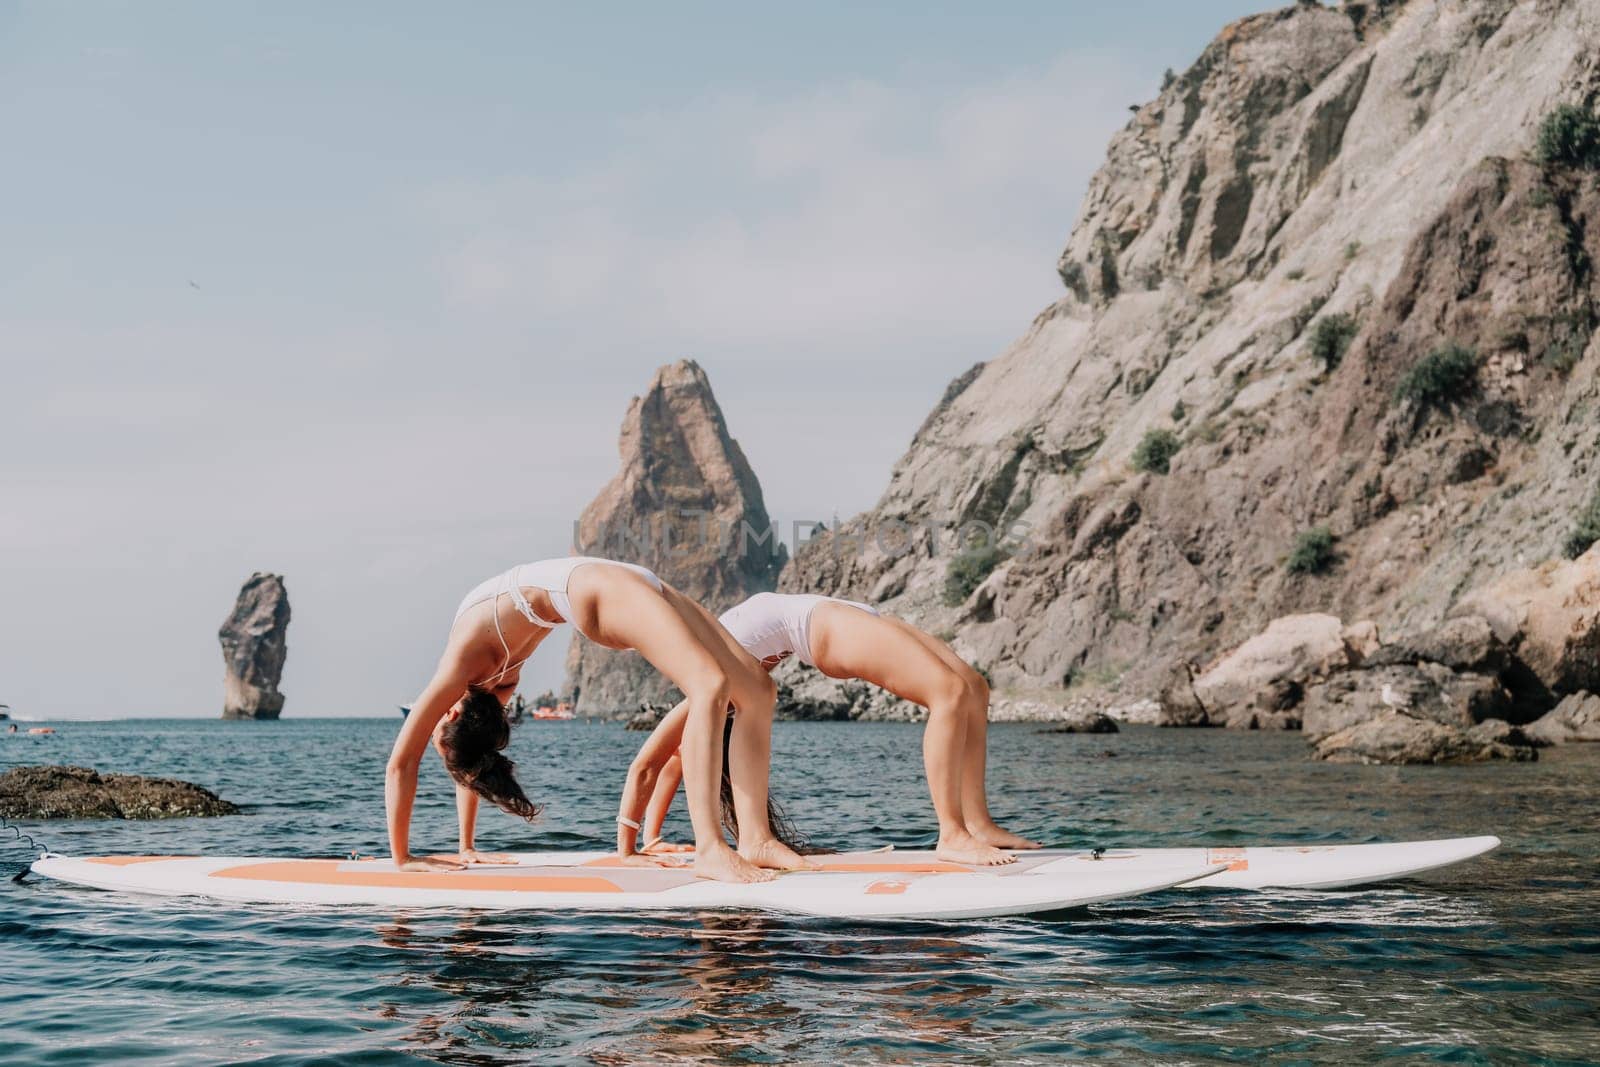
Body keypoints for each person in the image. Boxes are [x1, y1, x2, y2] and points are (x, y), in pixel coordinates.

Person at [386, 557, 808, 883]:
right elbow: (463, 759)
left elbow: (405, 762)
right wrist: (466, 847)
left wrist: (403, 858)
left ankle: (756, 839)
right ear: (456, 713)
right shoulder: (488, 685)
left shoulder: (463, 671)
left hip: (614, 581)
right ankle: (711, 848)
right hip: (601, 589)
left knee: (756, 690)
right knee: (710, 685)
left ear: (455, 711)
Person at [619, 592, 1040, 866]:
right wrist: (634, 846)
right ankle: (952, 833)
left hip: (841, 612)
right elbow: (658, 764)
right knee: (947, 692)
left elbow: (661, 763)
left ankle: (978, 822)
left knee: (973, 687)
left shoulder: (707, 698)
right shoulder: (708, 695)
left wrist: (650, 838)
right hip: (818, 626)